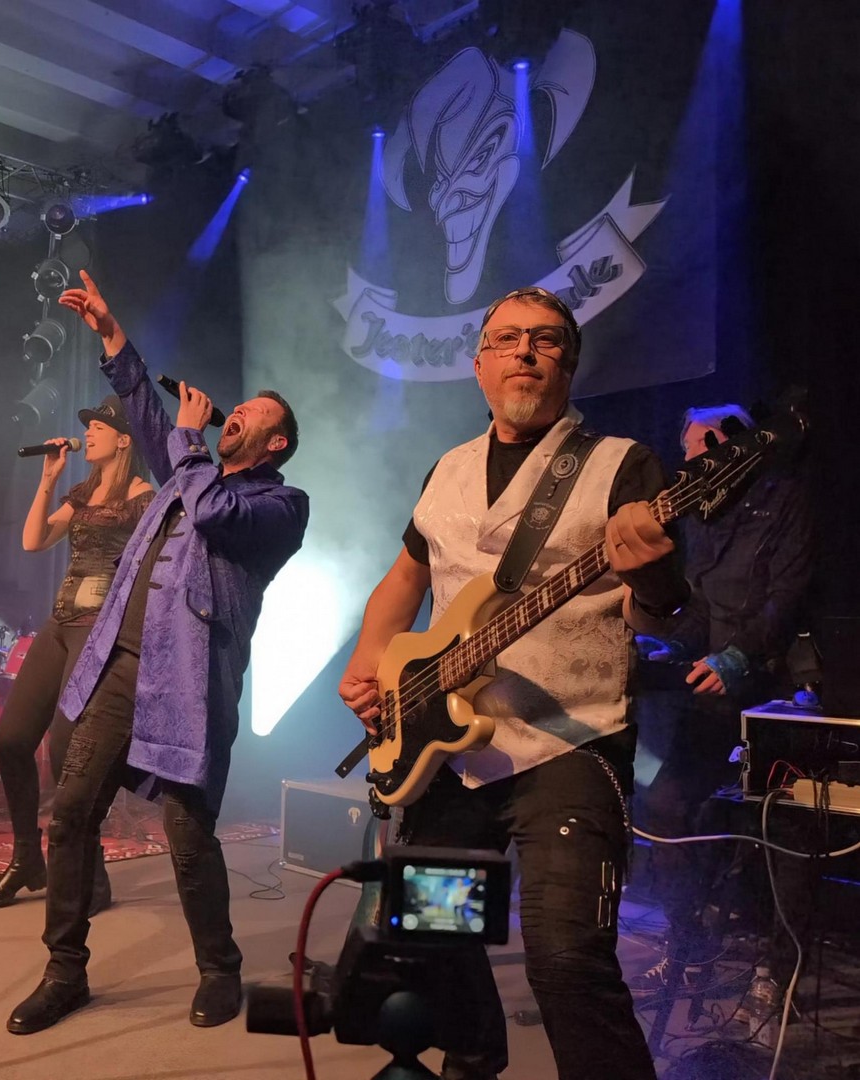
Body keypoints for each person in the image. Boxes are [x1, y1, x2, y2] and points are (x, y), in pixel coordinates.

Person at [339, 285, 701, 1080]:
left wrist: (656, 577)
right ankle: (473, 1056)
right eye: (506, 339)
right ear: (478, 365)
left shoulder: (620, 464)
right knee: (430, 931)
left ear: (568, 363)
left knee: (567, 960)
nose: (525, 352)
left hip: (569, 740)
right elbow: (406, 576)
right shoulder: (448, 469)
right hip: (448, 751)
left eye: (545, 339)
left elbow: (660, 615)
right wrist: (370, 657)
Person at [5, 270, 309, 1035]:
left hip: (190, 684)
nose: (234, 414)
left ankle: (219, 968)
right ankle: (64, 971)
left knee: (186, 835)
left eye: (251, 415)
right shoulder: (185, 470)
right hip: (118, 668)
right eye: (236, 408)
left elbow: (212, 510)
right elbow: (145, 408)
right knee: (70, 816)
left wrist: (193, 443)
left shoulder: (278, 503)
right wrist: (111, 331)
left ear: (274, 443)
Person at [630, 404, 812, 1000]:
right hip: (713, 695)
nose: (686, 466)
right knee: (663, 807)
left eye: (692, 453)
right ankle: (687, 946)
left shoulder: (787, 499)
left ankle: (777, 970)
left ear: (721, 445)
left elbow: (788, 595)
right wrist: (673, 644)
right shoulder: (705, 519)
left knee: (780, 826)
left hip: (773, 694)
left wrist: (738, 657)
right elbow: (703, 605)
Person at [0, 397, 154, 912]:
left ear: (124, 439)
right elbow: (34, 541)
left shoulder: (143, 498)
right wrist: (48, 479)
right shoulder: (81, 492)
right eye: (88, 427)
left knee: (66, 750)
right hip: (59, 625)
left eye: (99, 427)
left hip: (99, 631)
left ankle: (88, 874)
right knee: (12, 740)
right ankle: (27, 860)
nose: (88, 433)